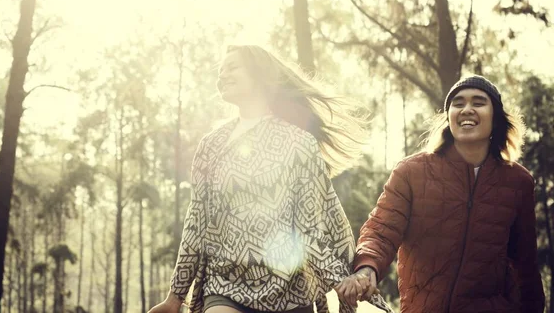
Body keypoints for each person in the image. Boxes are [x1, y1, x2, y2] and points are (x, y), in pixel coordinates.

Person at [148, 44, 391, 313]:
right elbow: (196, 225)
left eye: (232, 67)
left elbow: (309, 229)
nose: (222, 75)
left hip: (289, 292)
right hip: (225, 287)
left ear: (259, 74)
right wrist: (175, 296)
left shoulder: (298, 144)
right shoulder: (211, 146)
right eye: (220, 71)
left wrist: (341, 278)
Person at [335, 75, 545, 313]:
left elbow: (525, 266)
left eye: (478, 102)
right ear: (449, 118)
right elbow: (382, 229)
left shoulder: (519, 182)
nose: (466, 109)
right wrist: (367, 268)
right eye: (458, 103)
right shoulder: (411, 172)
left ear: (495, 117)